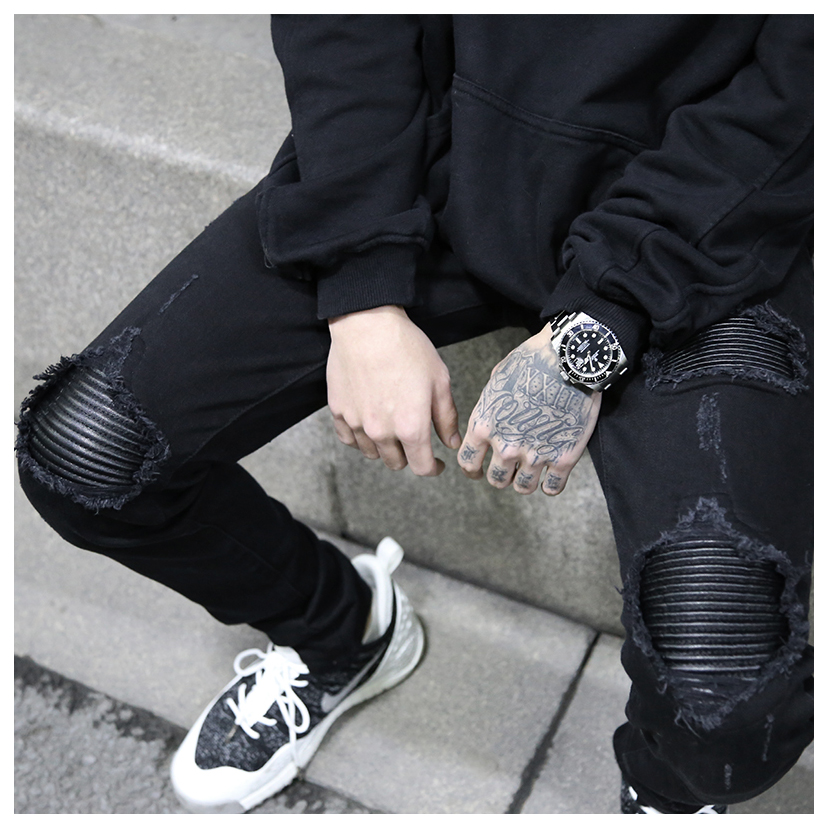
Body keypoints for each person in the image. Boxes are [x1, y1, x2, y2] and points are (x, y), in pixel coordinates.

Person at [15, 14, 813, 815]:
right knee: (82, 451)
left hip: (706, 221)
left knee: (723, 687)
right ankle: (344, 631)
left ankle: (664, 792)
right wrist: (360, 290)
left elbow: (795, 91)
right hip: (448, 147)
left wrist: (600, 320)